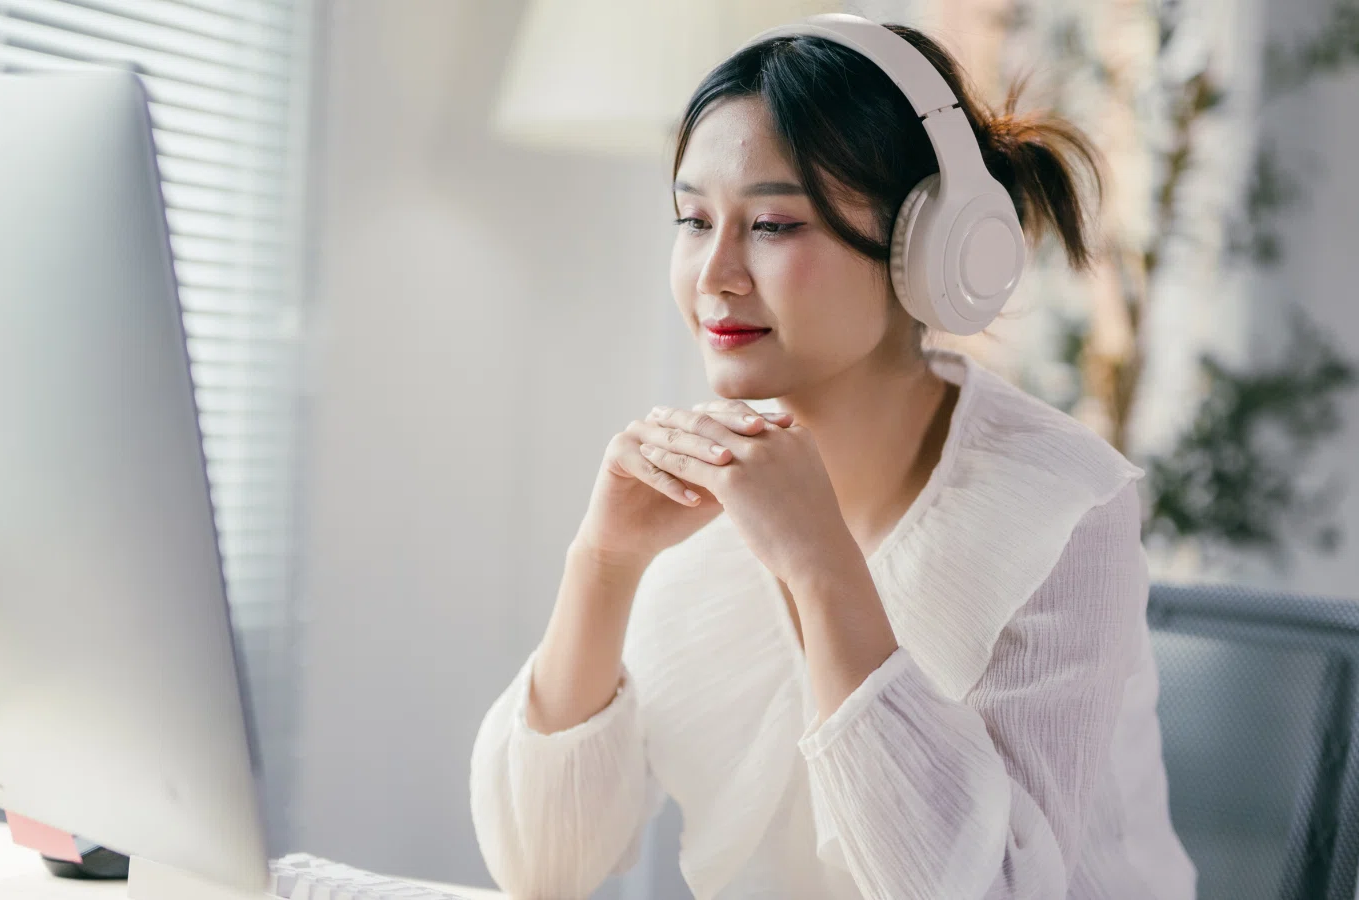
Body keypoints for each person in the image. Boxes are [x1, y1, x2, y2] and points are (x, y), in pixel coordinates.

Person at [470, 19, 1195, 900]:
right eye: (695, 220)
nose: (715, 274)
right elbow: (540, 870)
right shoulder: (697, 486)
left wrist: (820, 567)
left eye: (773, 224)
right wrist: (605, 564)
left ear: (928, 245)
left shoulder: (1062, 506)